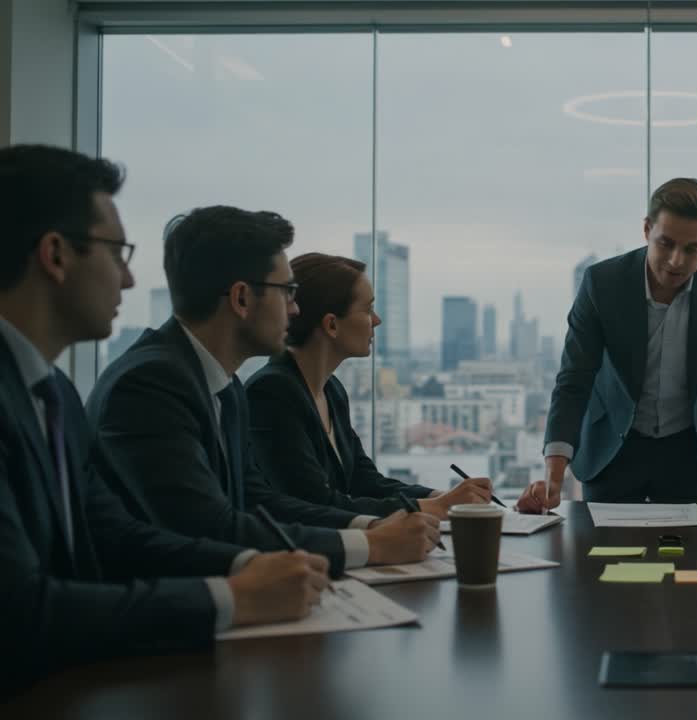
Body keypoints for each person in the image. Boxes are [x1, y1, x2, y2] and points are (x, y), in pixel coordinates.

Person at [0, 145, 329, 694]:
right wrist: (233, 597)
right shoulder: (139, 382)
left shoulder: (50, 390)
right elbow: (18, 611)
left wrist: (249, 565)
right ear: (56, 255)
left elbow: (116, 535)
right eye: (116, 252)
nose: (129, 281)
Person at [86, 206, 438, 574]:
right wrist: (370, 545)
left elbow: (258, 502)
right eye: (287, 291)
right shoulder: (150, 385)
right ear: (241, 299)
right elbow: (210, 526)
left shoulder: (225, 386)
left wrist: (371, 528)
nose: (297, 309)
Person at [517, 178, 697, 512]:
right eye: (666, 243)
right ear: (646, 229)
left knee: (693, 559)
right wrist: (554, 472)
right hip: (612, 449)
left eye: (692, 249)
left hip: (690, 449)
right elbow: (574, 380)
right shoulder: (602, 283)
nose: (676, 261)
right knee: (604, 557)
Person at [245, 252, 493, 517]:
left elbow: (364, 482)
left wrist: (442, 497)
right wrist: (433, 507)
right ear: (331, 325)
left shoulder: (332, 390)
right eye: (368, 309)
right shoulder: (272, 393)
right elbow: (314, 502)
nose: (377, 320)